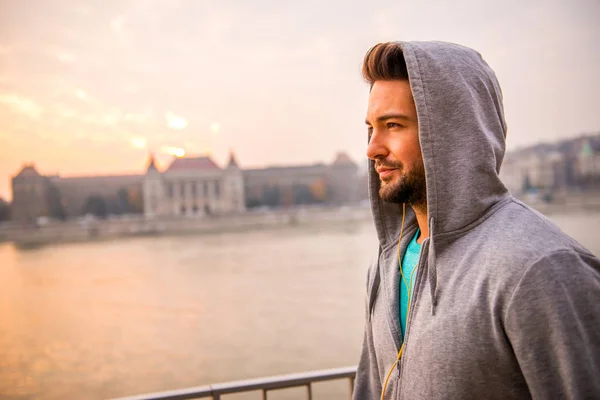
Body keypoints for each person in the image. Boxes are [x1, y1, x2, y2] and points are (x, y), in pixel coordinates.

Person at [353, 41, 600, 400]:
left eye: (393, 125)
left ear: (452, 135)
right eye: (371, 128)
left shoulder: (540, 267)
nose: (372, 148)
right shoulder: (386, 265)